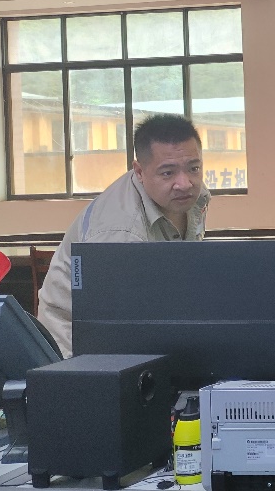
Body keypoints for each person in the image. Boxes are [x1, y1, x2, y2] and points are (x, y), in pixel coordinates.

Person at [38, 114, 210, 357]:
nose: (185, 183)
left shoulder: (192, 196)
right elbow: (114, 327)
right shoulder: (120, 231)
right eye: (167, 173)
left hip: (141, 322)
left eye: (194, 168)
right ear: (139, 171)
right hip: (75, 347)